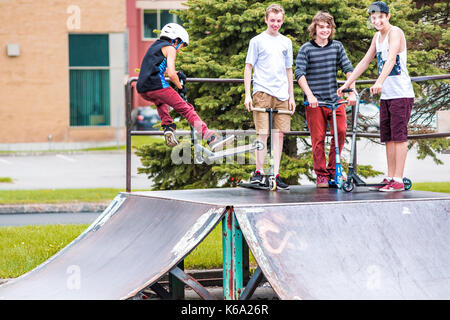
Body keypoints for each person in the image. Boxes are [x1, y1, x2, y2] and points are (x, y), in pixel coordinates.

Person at [338, 1, 415, 192]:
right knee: (388, 137)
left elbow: (391, 59)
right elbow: (365, 61)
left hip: (401, 93)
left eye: (380, 17)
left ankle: (398, 178)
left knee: (399, 136)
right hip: (387, 96)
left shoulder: (395, 32)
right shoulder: (376, 37)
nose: (377, 21)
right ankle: (390, 177)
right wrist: (347, 84)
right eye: (373, 18)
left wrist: (379, 81)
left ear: (387, 16)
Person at [137, 23, 234, 151]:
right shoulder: (170, 48)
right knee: (187, 109)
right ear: (175, 40)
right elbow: (171, 74)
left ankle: (168, 127)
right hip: (157, 85)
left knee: (160, 101)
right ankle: (211, 138)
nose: (179, 49)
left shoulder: (154, 46)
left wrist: (177, 75)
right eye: (181, 45)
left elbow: (158, 68)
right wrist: (180, 87)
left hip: (142, 88)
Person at [295, 11, 356, 188]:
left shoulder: (337, 46)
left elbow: (348, 68)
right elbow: (300, 73)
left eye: (328, 27)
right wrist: (310, 95)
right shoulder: (306, 49)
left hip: (335, 99)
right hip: (316, 102)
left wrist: (351, 91)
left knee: (341, 131)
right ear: (314, 28)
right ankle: (321, 174)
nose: (325, 30)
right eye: (321, 27)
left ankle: (333, 170)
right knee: (318, 138)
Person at [244, 4, 296, 190]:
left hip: (281, 93)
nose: (275, 24)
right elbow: (248, 67)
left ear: (283, 20)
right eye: (272, 20)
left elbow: (289, 69)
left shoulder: (286, 42)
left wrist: (291, 96)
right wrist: (248, 94)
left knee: (279, 135)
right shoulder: (257, 41)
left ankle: (275, 174)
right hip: (262, 91)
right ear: (266, 19)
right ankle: (259, 172)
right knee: (263, 133)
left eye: (279, 21)